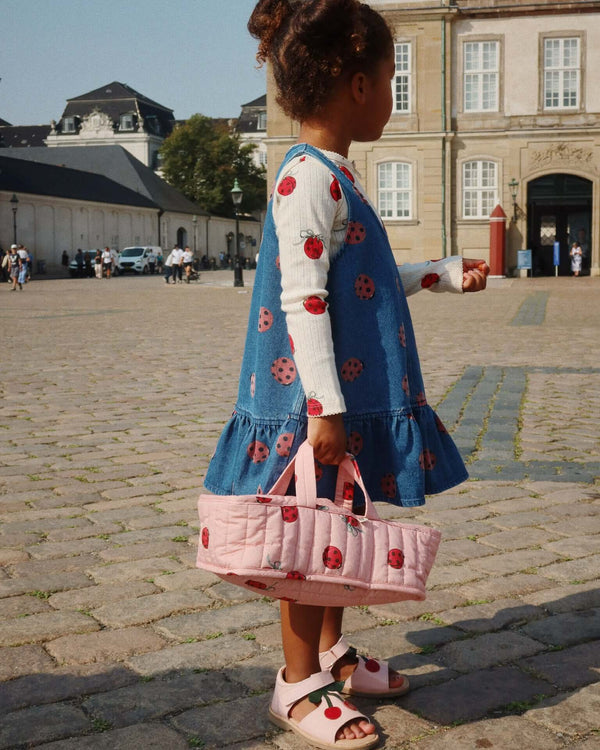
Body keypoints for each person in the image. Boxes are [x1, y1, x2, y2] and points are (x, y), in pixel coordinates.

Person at [202, 2, 490, 748]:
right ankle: (297, 685)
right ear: (356, 85)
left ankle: (329, 653)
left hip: (345, 396)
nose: (395, 97)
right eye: (393, 81)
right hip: (316, 402)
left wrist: (439, 274)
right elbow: (305, 298)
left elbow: (362, 278)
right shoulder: (307, 181)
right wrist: (324, 409)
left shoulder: (331, 177)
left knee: (338, 526)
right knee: (305, 538)